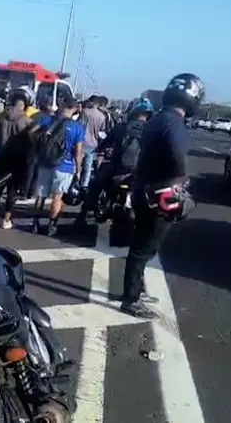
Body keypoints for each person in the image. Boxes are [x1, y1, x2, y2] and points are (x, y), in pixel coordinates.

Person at [120, 73, 202, 319]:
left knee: (141, 246)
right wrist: (180, 178)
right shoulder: (175, 123)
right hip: (158, 194)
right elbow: (177, 156)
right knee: (143, 249)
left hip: (143, 189)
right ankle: (131, 299)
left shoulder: (157, 119)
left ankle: (135, 290)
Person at [74, 97, 155, 227]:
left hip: (118, 169)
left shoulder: (121, 127)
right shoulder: (152, 132)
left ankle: (82, 215)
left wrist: (100, 150)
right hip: (141, 173)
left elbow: (105, 143)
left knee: (96, 185)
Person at [29, 96, 85, 236]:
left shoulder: (48, 120)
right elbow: (78, 152)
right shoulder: (77, 127)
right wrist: (79, 169)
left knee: (40, 196)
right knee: (57, 197)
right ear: (74, 109)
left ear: (62, 105)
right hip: (64, 166)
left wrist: (39, 148)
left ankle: (35, 224)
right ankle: (51, 226)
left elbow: (31, 133)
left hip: (45, 162)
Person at [0, 87, 36, 229]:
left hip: (2, 156)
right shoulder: (28, 122)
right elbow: (32, 143)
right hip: (18, 160)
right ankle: (6, 219)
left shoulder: (0, 117)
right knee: (12, 191)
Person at [79, 95, 108, 190]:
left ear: (92, 102)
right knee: (88, 167)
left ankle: (75, 181)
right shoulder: (102, 116)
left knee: (78, 163)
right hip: (93, 144)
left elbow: (79, 125)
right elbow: (102, 131)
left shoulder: (85, 112)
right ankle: (84, 185)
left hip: (81, 142)